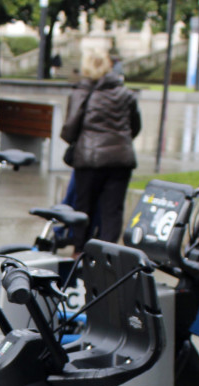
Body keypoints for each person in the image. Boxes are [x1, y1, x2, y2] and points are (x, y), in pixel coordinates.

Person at [61, 48, 140, 253]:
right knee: (112, 212)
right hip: (120, 159)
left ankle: (79, 253)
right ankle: (108, 257)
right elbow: (135, 126)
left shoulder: (81, 93)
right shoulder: (125, 94)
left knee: (83, 208)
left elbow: (69, 130)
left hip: (89, 159)